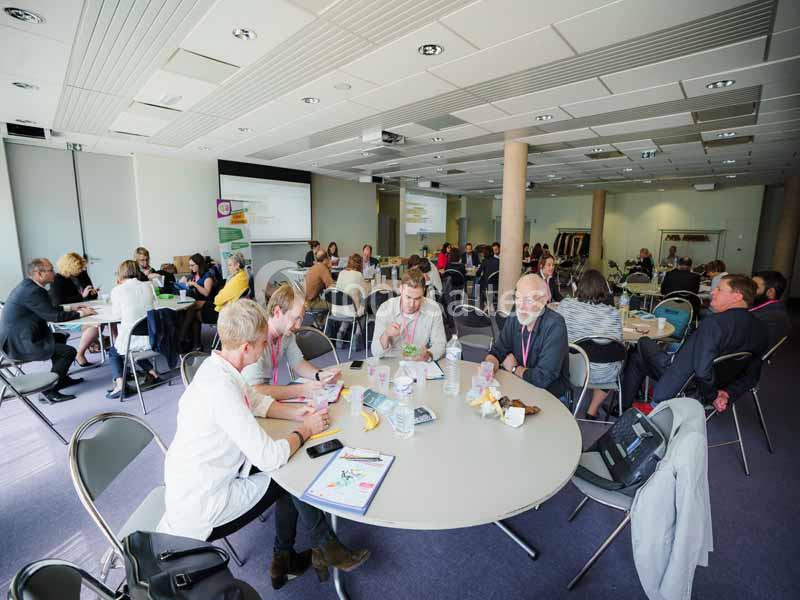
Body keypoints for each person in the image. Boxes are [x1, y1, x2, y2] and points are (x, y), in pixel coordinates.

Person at [158, 299, 369, 588]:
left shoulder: (218, 368)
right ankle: (324, 546)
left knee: (287, 467)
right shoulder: (221, 390)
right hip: (206, 504)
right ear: (247, 348)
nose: (265, 348)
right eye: (261, 344)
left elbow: (255, 401)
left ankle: (284, 559)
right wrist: (305, 429)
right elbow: (270, 457)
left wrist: (297, 413)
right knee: (288, 474)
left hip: (199, 480)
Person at [623, 275, 768, 415]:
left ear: (737, 297)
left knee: (642, 343)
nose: (712, 292)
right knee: (638, 358)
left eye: (719, 289)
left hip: (685, 382)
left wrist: (713, 396)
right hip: (715, 384)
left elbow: (702, 370)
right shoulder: (760, 328)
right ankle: (635, 403)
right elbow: (752, 375)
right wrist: (727, 393)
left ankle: (627, 407)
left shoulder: (715, 324)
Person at [0, 259, 95, 402]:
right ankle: (48, 391)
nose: (54, 273)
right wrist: (83, 313)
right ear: (39, 274)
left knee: (60, 337)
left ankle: (60, 378)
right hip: (19, 343)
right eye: (51, 270)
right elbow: (54, 317)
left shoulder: (30, 286)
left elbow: (46, 309)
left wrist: (71, 308)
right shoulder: (32, 291)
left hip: (22, 336)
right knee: (68, 351)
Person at [243, 284, 341, 399]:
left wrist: (319, 375)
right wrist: (301, 390)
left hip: (262, 399)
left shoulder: (286, 334)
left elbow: (297, 362)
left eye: (300, 320)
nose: (298, 326)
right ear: (277, 312)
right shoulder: (256, 337)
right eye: (295, 318)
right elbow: (254, 390)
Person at [485, 274, 570, 398]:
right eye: (518, 298)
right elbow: (498, 351)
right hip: (519, 385)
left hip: (548, 395)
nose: (521, 306)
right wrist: (487, 368)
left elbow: (543, 378)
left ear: (542, 300)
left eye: (528, 300)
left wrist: (515, 369)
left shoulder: (555, 325)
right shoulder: (515, 316)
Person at [556, 270, 623, 418]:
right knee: (612, 360)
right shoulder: (613, 313)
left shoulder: (567, 305)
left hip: (573, 370)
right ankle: (592, 410)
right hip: (605, 374)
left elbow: (556, 334)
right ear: (604, 289)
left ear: (580, 286)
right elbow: (620, 346)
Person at [105, 260, 160, 399]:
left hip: (133, 338)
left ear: (121, 273)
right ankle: (152, 372)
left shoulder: (117, 290)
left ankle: (120, 385)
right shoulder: (148, 285)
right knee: (133, 346)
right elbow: (154, 308)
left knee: (114, 351)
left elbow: (117, 315)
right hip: (152, 337)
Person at [371, 269, 446, 360]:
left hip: (419, 362)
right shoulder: (385, 308)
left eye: (417, 298)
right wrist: (386, 334)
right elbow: (375, 352)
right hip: (392, 361)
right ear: (401, 289)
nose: (411, 304)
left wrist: (428, 355)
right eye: (408, 297)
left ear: (423, 291)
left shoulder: (433, 309)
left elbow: (440, 344)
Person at [49, 252, 100, 367]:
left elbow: (90, 296)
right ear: (70, 267)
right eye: (79, 267)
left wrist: (92, 293)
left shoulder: (82, 275)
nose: (82, 270)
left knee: (104, 320)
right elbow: (57, 303)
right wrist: (81, 297)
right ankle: (80, 354)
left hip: (85, 310)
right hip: (69, 315)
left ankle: (111, 347)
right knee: (96, 325)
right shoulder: (58, 280)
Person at [177, 253, 216, 349]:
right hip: (198, 302)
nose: (190, 268)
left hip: (209, 304)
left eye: (192, 265)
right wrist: (183, 283)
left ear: (199, 264)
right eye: (189, 265)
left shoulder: (208, 276)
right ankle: (196, 344)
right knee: (191, 313)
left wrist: (195, 285)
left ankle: (182, 337)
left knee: (191, 308)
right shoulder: (194, 275)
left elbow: (206, 293)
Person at [751, 270, 791, 350]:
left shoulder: (769, 317)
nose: (748, 290)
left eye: (754, 287)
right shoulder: (770, 308)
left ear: (770, 292)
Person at [304, 249, 334, 314]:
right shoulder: (322, 268)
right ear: (326, 260)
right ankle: (325, 323)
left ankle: (321, 322)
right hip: (312, 303)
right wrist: (330, 267)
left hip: (306, 302)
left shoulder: (314, 267)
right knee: (335, 306)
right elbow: (331, 286)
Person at [476, 242, 500, 308]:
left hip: (487, 286)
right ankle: (488, 303)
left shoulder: (485, 261)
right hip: (496, 285)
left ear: (485, 253)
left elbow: (477, 274)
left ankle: (479, 306)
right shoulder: (498, 261)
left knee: (478, 284)